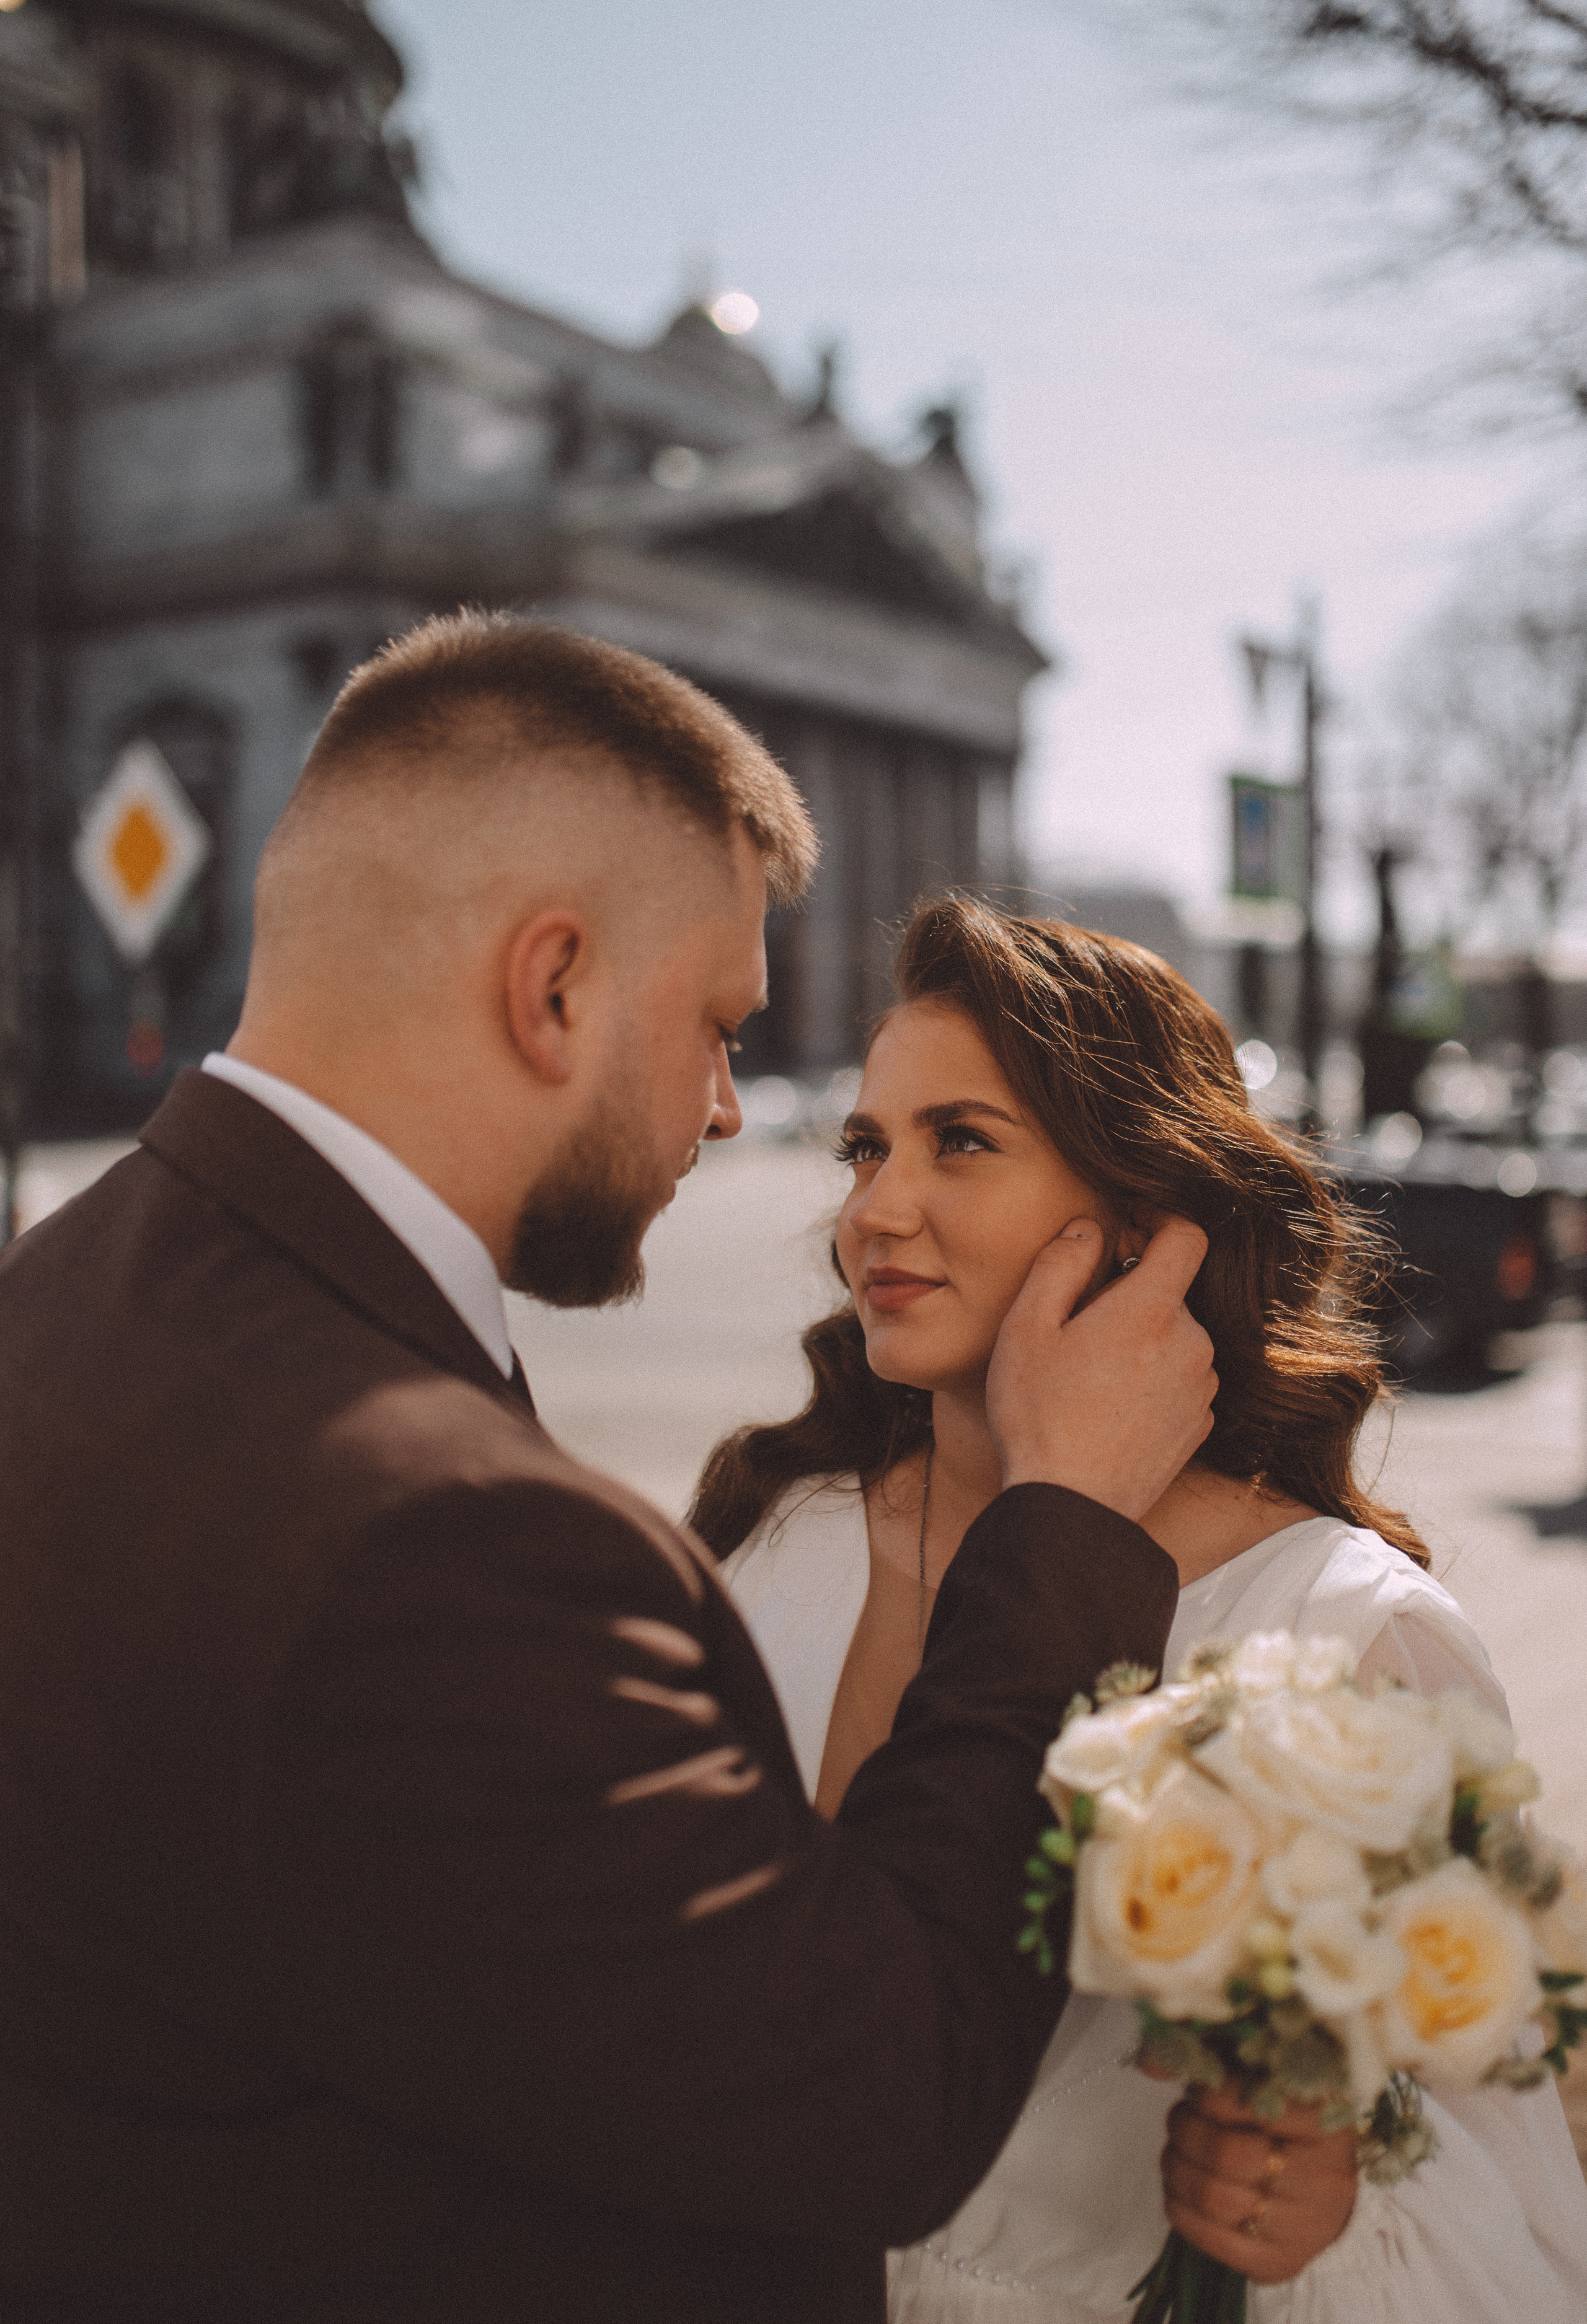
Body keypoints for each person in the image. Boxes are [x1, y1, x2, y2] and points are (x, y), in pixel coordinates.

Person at [0, 612, 1351, 2324]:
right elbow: (869, 2098)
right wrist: (1064, 1521)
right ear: (552, 987)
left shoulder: (59, 1297)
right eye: (718, 1022)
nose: (726, 1110)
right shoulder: (445, 1543)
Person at [701, 893, 1587, 2324]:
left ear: (1140, 1217)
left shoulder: (1343, 1634)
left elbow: (1513, 2210)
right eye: (866, 1145)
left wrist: (1325, 2203)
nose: (871, 1208)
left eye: (958, 1141)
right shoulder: (777, 1534)